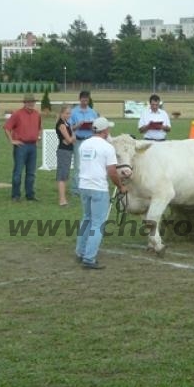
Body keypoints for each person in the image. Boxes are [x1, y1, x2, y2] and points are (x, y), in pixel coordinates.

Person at [75, 117, 126, 270]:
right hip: (98, 187)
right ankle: (89, 258)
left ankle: (80, 251)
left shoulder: (84, 144)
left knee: (87, 219)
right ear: (105, 131)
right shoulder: (107, 147)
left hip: (83, 185)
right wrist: (121, 186)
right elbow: (112, 171)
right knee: (97, 224)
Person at [4, 94, 42, 202]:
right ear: (24, 103)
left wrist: (38, 137)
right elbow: (7, 128)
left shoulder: (37, 114)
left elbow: (39, 128)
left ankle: (30, 194)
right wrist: (12, 140)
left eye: (32, 102)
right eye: (28, 102)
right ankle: (16, 195)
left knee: (31, 172)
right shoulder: (17, 114)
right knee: (18, 171)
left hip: (33, 146)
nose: (31, 104)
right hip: (21, 146)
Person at [69, 90, 98, 194]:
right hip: (78, 140)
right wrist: (78, 125)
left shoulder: (93, 112)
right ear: (79, 99)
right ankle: (76, 189)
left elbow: (97, 128)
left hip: (90, 140)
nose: (85, 102)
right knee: (78, 165)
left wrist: (92, 126)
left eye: (86, 100)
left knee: (90, 164)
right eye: (83, 100)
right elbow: (69, 127)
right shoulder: (73, 112)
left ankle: (88, 187)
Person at [55, 104, 76, 206]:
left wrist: (71, 139)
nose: (69, 115)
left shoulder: (67, 123)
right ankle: (62, 200)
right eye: (67, 113)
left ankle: (63, 198)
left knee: (65, 175)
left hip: (67, 150)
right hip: (63, 151)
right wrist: (72, 138)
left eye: (70, 113)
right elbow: (69, 139)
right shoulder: (62, 125)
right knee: (62, 176)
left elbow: (71, 140)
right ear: (61, 113)